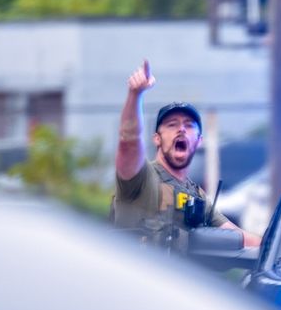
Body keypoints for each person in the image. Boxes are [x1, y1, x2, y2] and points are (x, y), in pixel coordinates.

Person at [112, 60, 262, 247]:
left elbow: (236, 236)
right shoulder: (142, 178)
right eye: (172, 124)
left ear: (199, 141)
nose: (181, 130)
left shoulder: (196, 195)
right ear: (157, 138)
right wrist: (135, 95)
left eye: (189, 126)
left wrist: (273, 247)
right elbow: (129, 141)